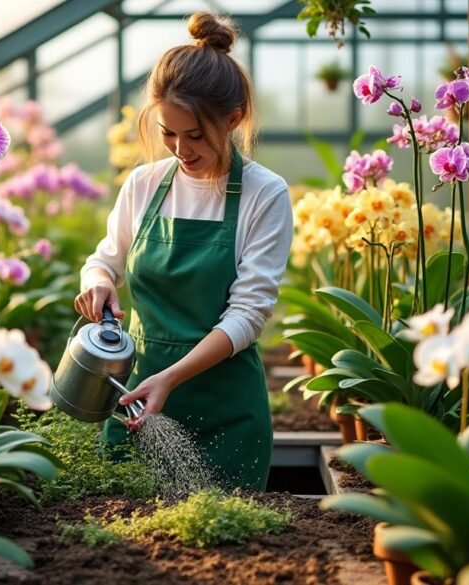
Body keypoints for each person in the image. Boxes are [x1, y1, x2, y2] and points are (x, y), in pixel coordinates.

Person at [73, 12, 293, 491]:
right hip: (135, 396)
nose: (179, 148)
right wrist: (99, 284)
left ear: (233, 120)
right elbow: (104, 258)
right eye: (168, 132)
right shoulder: (145, 184)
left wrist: (171, 378)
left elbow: (249, 314)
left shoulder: (264, 194)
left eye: (195, 135)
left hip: (226, 410)